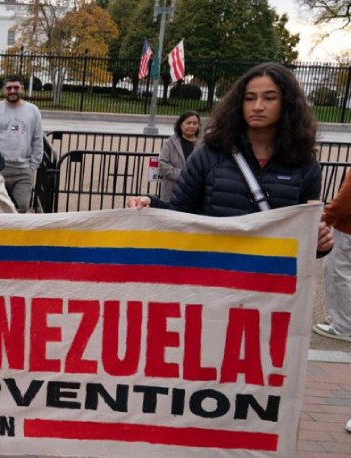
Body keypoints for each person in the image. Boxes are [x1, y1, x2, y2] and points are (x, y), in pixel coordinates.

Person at [127, 63, 333, 255]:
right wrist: (151, 204)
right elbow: (180, 215)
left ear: (287, 103)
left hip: (269, 284)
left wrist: (320, 244)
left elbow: (305, 236)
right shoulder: (208, 155)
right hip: (214, 278)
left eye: (269, 98)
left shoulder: (304, 164)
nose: (258, 106)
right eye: (250, 98)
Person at [0, 74, 44, 212]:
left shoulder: (33, 110)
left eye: (16, 87)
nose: (12, 91)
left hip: (23, 170)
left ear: (22, 89)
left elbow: (37, 139)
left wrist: (32, 166)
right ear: (3, 90)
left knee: (22, 207)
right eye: (9, 88)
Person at [315, 169, 351, 342]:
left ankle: (343, 325)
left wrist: (326, 217)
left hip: (347, 230)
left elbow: (346, 197)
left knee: (338, 274)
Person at [158, 110, 201, 201]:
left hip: (196, 192)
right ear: (181, 125)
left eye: (195, 123)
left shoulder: (204, 144)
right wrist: (183, 175)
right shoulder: (169, 142)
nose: (192, 126)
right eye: (188, 123)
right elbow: (162, 164)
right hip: (172, 191)